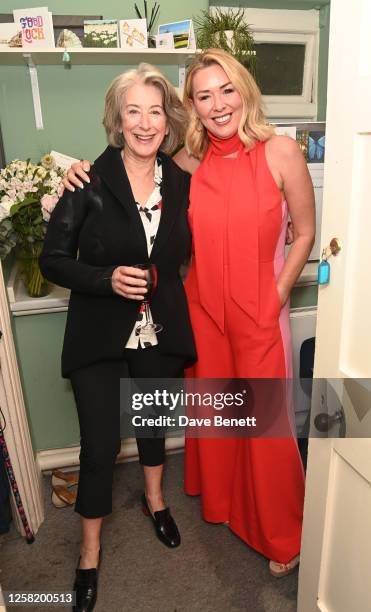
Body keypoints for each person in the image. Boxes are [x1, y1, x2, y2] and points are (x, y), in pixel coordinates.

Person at [63, 49, 315, 577]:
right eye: (204, 95)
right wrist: (74, 175)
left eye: (226, 90)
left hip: (258, 310)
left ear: (244, 90)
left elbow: (306, 234)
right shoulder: (186, 164)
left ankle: (280, 534)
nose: (218, 104)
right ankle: (221, 507)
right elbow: (130, 176)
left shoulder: (283, 152)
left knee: (264, 425)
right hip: (203, 312)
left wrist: (277, 296)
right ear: (193, 107)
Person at [40, 63, 196, 612]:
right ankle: (88, 555)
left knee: (154, 424)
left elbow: (177, 256)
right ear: (117, 119)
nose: (145, 122)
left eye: (156, 110)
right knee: (102, 444)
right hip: (98, 330)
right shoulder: (88, 180)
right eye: (134, 111)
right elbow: (51, 259)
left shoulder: (180, 182)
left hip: (159, 326)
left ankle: (156, 501)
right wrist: (105, 279)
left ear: (168, 120)